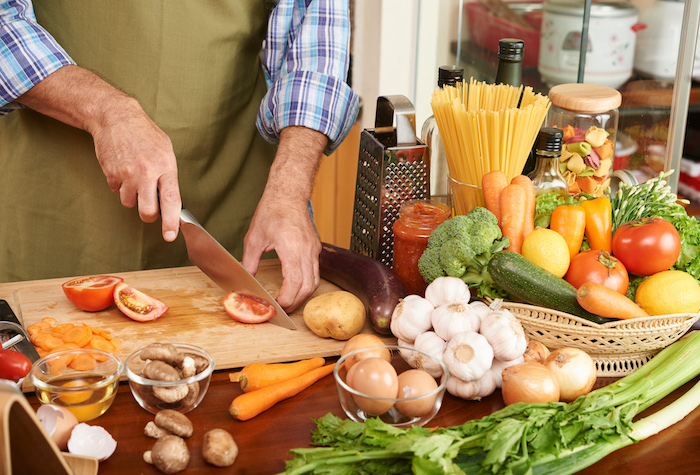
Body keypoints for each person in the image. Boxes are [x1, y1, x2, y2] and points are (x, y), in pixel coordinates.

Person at [0, 0, 358, 311]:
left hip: (229, 191)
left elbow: (315, 26)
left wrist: (289, 189)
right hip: (52, 193)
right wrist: (104, 111)